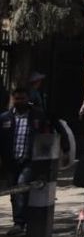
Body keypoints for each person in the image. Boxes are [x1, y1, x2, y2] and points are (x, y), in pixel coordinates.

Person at [0, 86, 46, 234]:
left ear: (28, 99)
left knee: (21, 186)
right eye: (17, 98)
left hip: (28, 160)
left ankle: (20, 223)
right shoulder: (4, 118)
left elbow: (50, 130)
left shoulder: (37, 116)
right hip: (11, 161)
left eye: (23, 98)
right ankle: (19, 221)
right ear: (13, 99)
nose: (20, 101)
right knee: (15, 192)